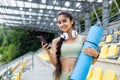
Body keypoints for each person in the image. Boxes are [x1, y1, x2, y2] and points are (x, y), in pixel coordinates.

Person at [41, 11, 99, 80]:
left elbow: (91, 62)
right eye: (59, 22)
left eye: (64, 21)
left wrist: (96, 55)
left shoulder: (83, 39)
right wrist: (48, 52)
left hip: (78, 77)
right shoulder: (56, 41)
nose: (62, 25)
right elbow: (55, 64)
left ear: (72, 21)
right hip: (61, 77)